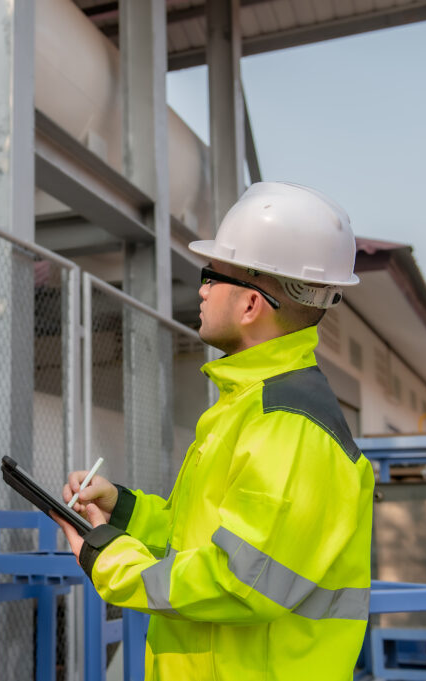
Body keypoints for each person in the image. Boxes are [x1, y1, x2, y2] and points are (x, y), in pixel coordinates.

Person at [54, 182, 375, 680]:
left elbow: (240, 581)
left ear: (250, 305)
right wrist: (124, 509)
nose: (201, 289)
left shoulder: (288, 425)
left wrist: (111, 561)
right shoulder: (249, 408)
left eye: (211, 276)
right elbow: (204, 539)